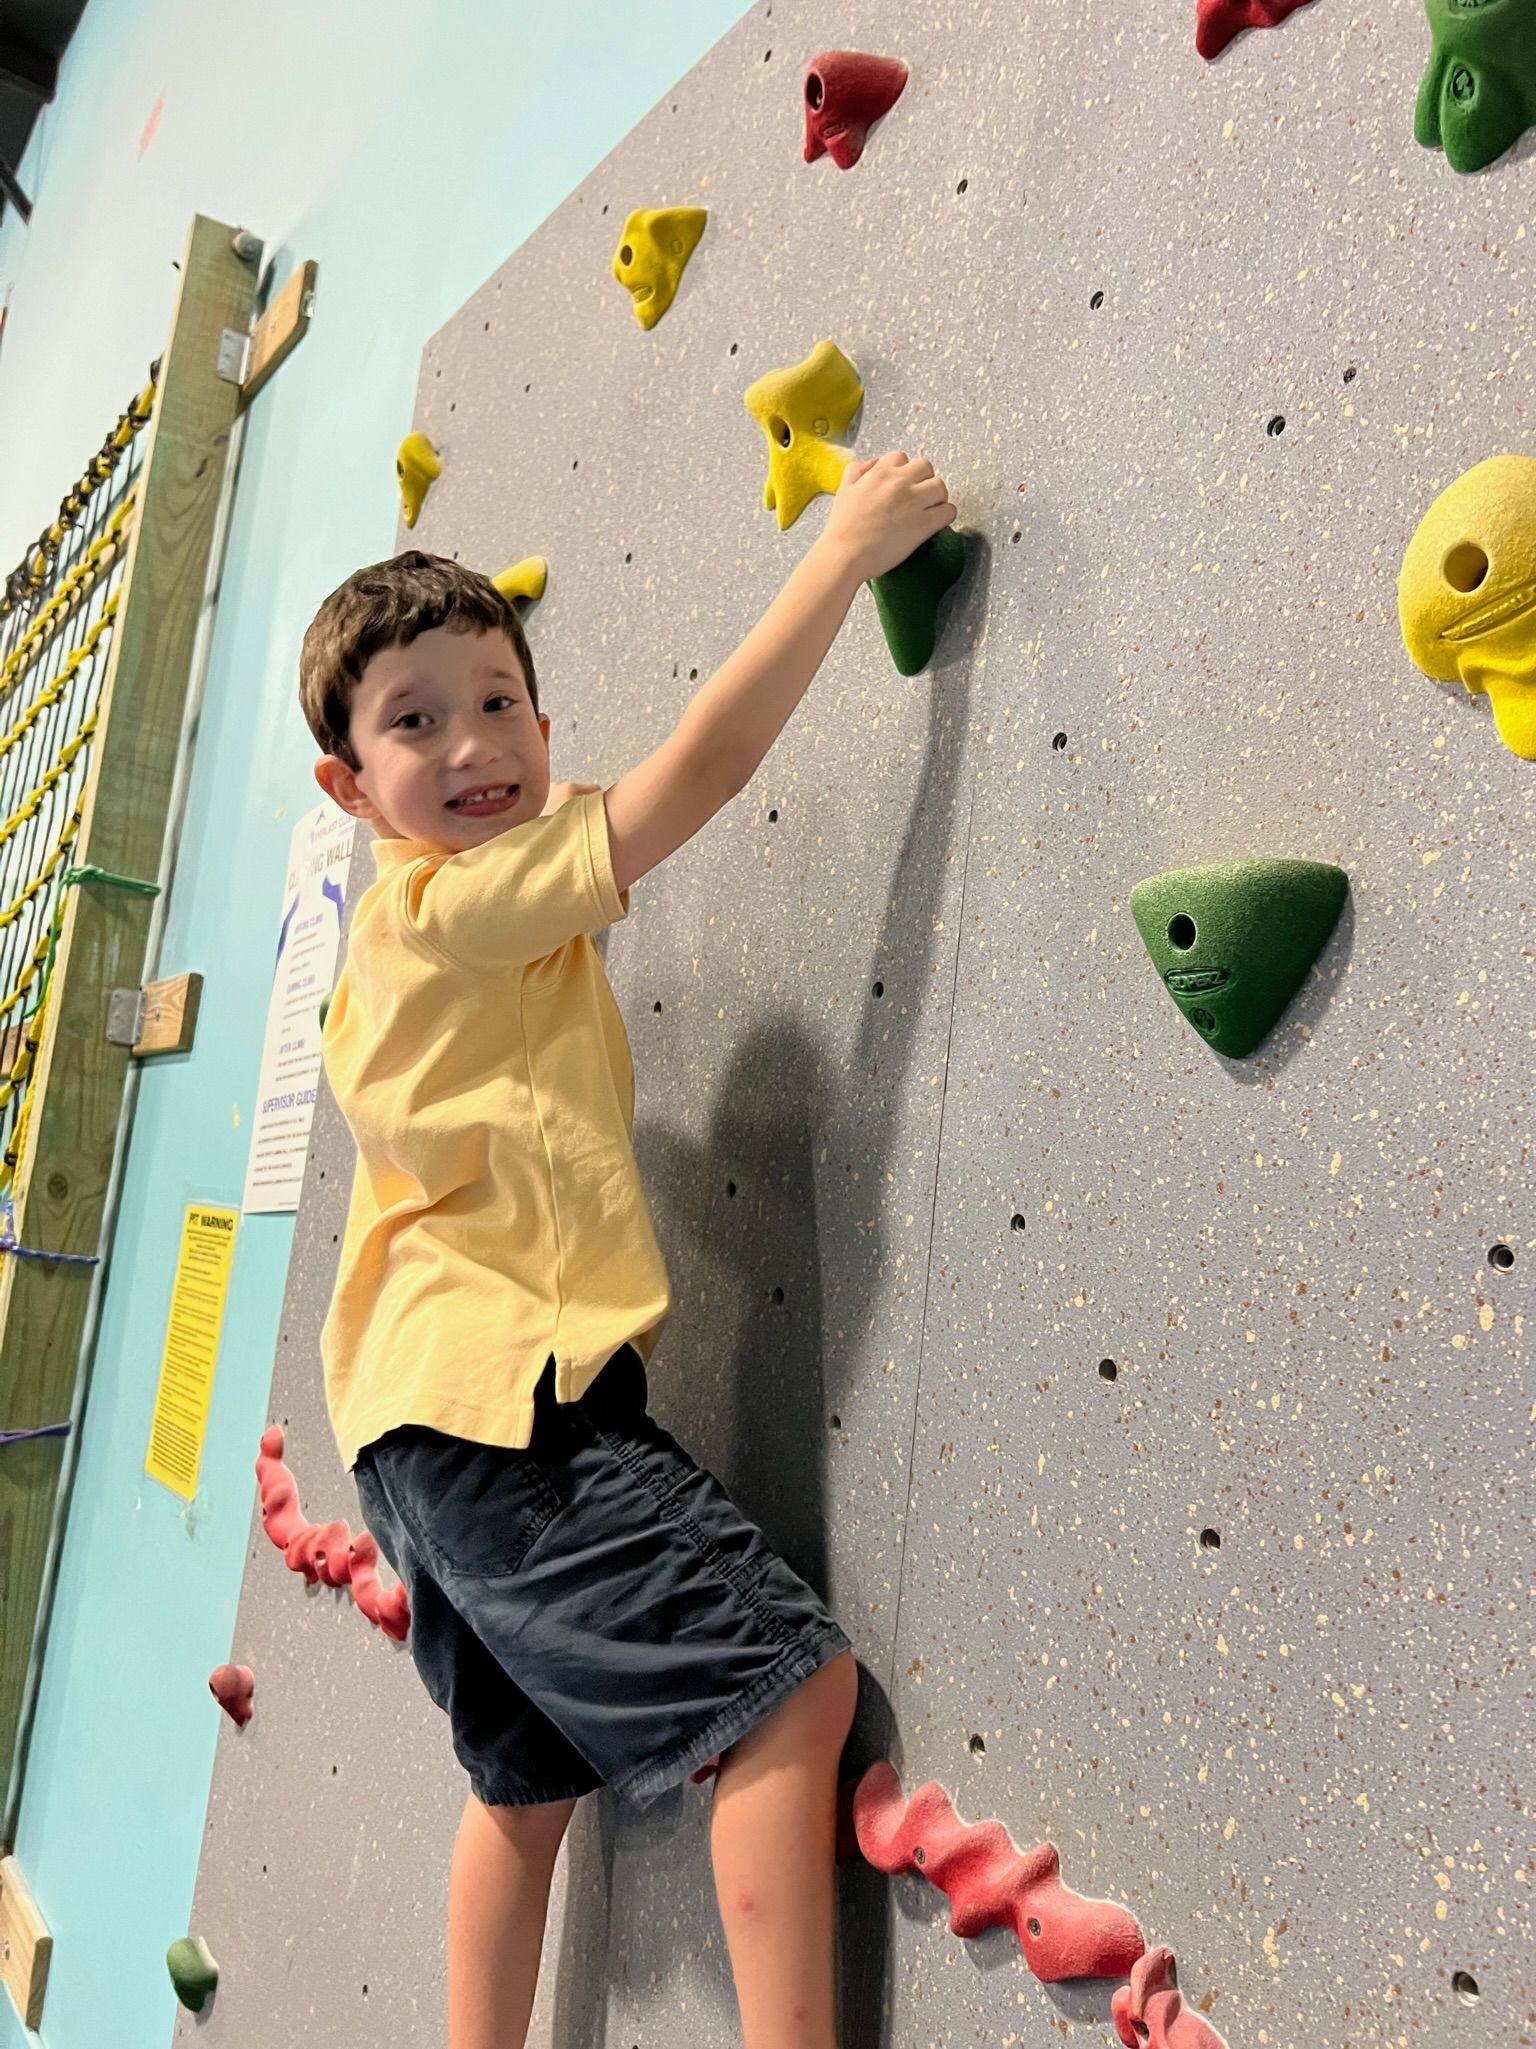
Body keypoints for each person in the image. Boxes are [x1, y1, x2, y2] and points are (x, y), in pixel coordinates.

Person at [297, 447, 957, 2049]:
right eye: (414, 721)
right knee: (788, 1689)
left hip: (407, 1431)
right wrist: (843, 552)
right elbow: (699, 774)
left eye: (500, 702)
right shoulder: (457, 902)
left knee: (524, 1786)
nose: (473, 744)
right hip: (506, 1410)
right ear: (347, 786)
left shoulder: (396, 937)